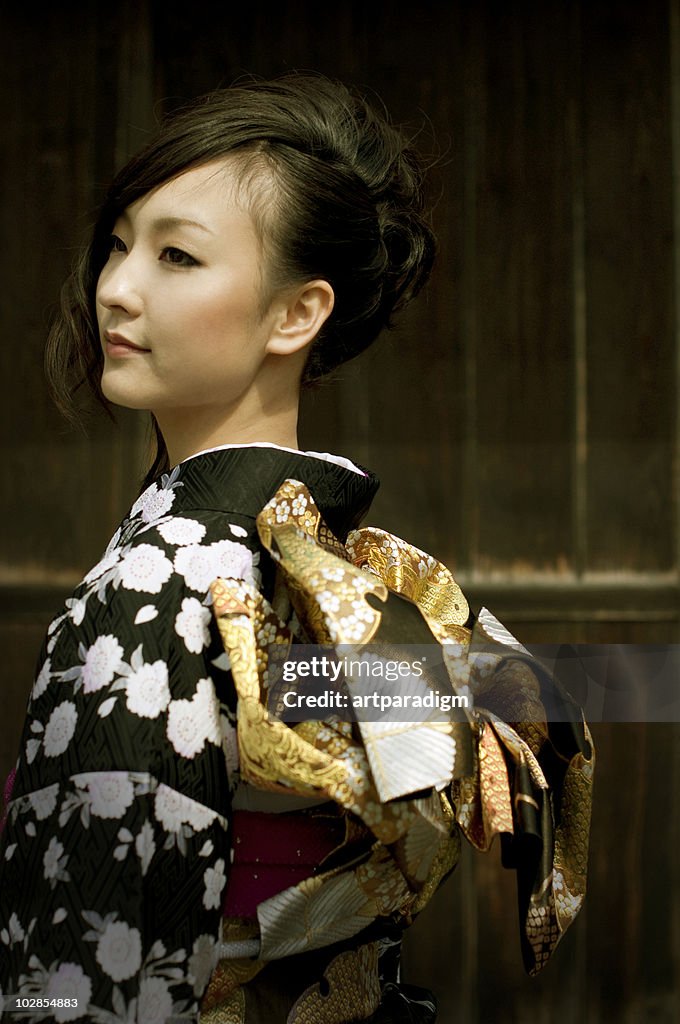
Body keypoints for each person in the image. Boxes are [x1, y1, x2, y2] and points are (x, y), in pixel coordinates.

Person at [0, 74, 594, 1023]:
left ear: (296, 315)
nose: (115, 287)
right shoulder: (332, 572)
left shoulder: (163, 586)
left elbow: (93, 978)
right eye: (118, 246)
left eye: (177, 258)